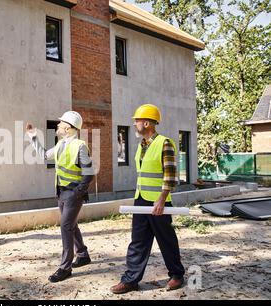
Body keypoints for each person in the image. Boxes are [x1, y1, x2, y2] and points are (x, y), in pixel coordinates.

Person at [111, 104, 185, 294]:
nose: (135, 124)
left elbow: (170, 175)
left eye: (136, 121)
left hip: (158, 201)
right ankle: (131, 280)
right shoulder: (141, 146)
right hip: (141, 200)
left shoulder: (164, 143)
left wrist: (162, 199)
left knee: (166, 240)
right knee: (138, 241)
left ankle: (176, 275)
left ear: (146, 123)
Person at [26, 111, 94, 282]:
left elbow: (89, 173)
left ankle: (65, 268)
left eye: (60, 123)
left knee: (65, 226)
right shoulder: (60, 144)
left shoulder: (80, 146)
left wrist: (78, 192)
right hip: (61, 192)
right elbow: (43, 155)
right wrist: (33, 137)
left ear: (68, 128)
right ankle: (83, 255)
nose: (57, 125)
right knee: (71, 224)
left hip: (72, 193)